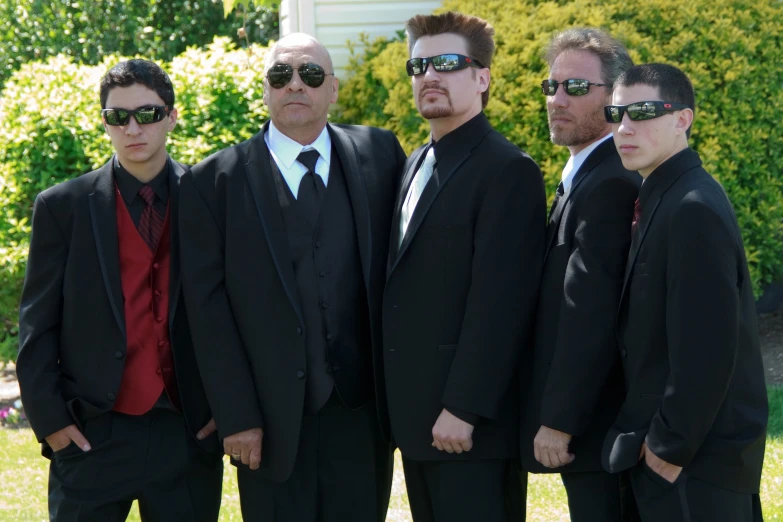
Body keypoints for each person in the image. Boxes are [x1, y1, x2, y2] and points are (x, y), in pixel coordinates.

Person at [178, 33, 406, 522]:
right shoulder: (212, 181)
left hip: (361, 414)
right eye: (281, 76)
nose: (295, 85)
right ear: (264, 91)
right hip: (268, 421)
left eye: (311, 74)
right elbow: (207, 312)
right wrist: (237, 418)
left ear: (333, 90)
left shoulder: (381, 154)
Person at [16, 59, 223, 521]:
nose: (132, 128)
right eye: (117, 116)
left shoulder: (210, 198)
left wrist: (225, 409)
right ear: (104, 121)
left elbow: (235, 310)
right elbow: (37, 325)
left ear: (172, 116)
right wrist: (52, 423)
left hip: (186, 433)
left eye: (147, 114)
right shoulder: (62, 207)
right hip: (92, 432)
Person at [383, 11, 546, 522]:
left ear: (482, 77)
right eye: (419, 66)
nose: (429, 76)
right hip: (418, 423)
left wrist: (464, 408)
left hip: (469, 427)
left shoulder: (508, 170)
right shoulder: (414, 162)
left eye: (447, 63)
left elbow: (502, 304)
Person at [603, 63, 768, 521]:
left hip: (694, 467)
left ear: (683, 119)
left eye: (642, 111)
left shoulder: (692, 207)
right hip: (677, 461)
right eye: (617, 112)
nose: (624, 127)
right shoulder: (664, 195)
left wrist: (667, 451)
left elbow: (708, 350)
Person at [519, 28, 640, 522]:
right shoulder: (584, 176)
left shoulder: (610, 182)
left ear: (615, 99)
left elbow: (589, 315)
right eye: (551, 87)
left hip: (597, 428)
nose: (557, 99)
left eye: (574, 88)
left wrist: (559, 423)